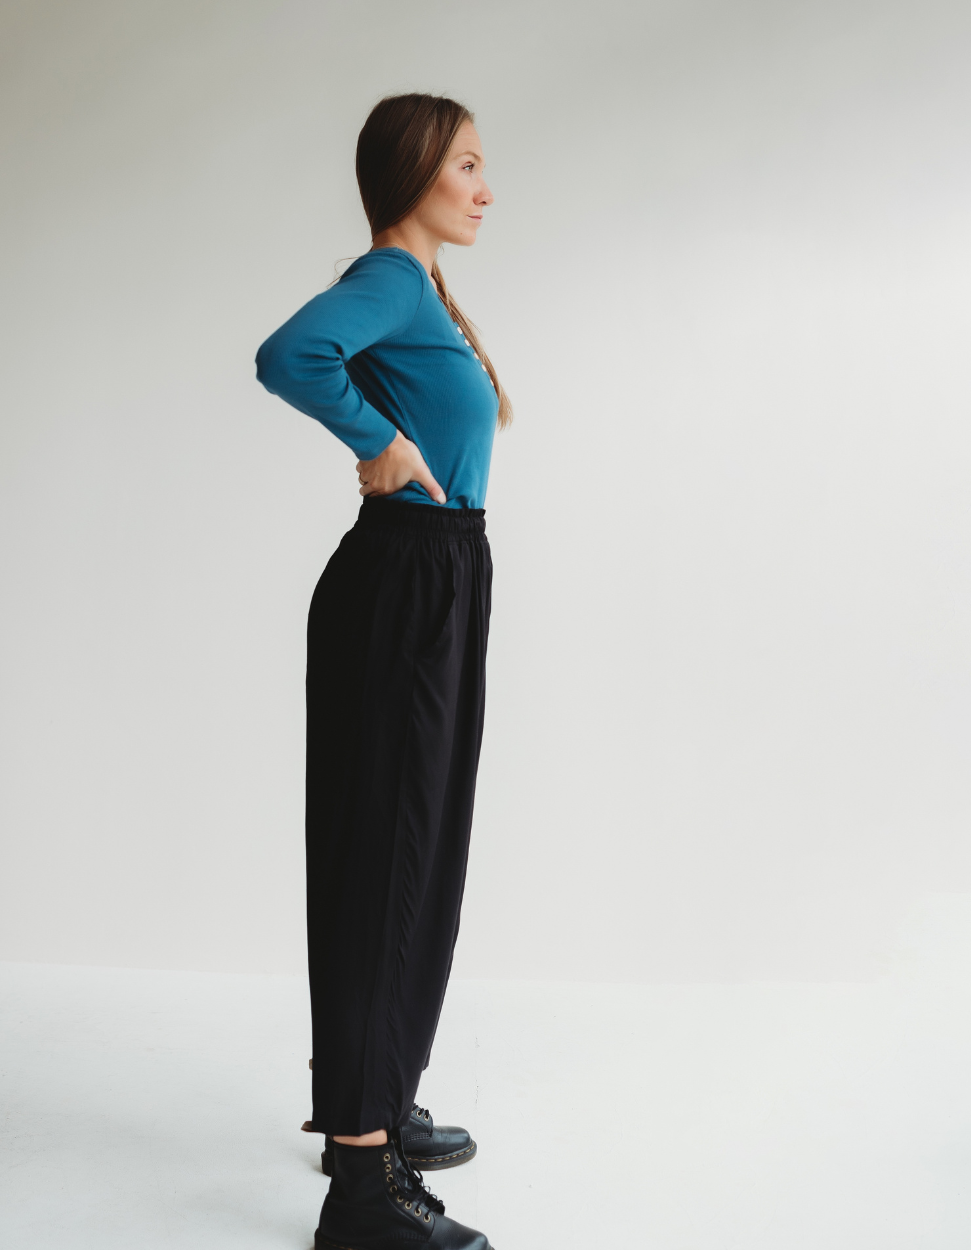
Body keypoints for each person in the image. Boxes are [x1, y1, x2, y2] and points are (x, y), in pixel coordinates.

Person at [255, 93, 510, 1250]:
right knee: (387, 855)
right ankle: (360, 1183)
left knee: (421, 845)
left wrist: (394, 442)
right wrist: (378, 441)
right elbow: (287, 353)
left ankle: (378, 1093)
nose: (483, 187)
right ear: (414, 170)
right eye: (466, 163)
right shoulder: (393, 281)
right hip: (403, 582)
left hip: (437, 575)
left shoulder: (420, 291)